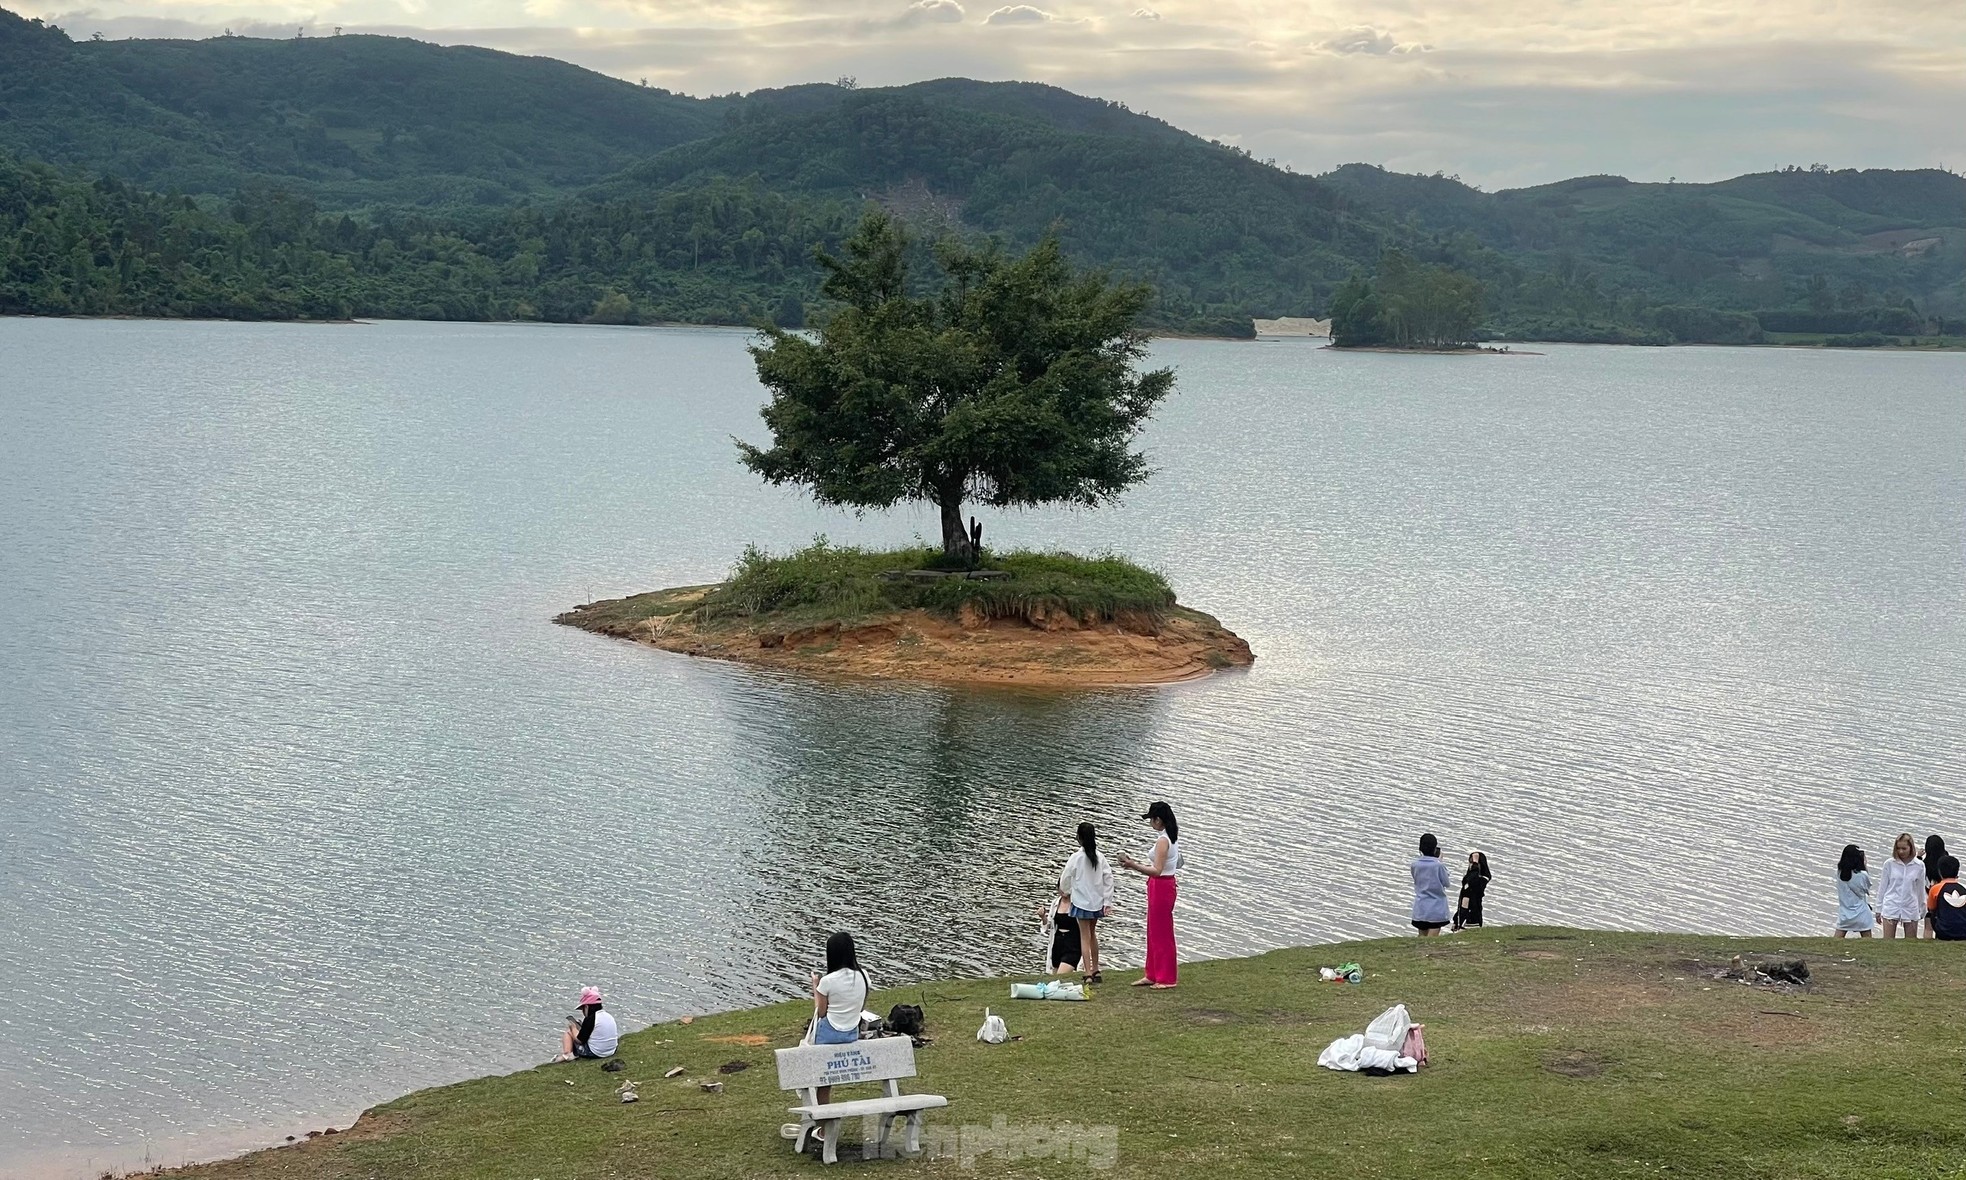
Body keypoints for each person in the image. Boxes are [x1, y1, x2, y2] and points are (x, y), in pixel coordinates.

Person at [1120, 801, 1183, 989]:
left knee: (1162, 932)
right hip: (1158, 886)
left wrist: (1133, 865)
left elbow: (1157, 870)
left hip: (1162, 886)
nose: (1151, 823)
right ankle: (1153, 973)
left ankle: (1167, 977)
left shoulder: (1163, 841)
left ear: (1158, 820)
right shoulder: (1169, 837)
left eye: (1152, 819)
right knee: (1153, 931)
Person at [810, 932, 869, 1105]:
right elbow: (861, 1007)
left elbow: (821, 1013)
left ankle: (821, 1125)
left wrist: (815, 985)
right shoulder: (864, 976)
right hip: (851, 1033)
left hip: (829, 1035)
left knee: (823, 1081)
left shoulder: (827, 981)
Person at [1059, 822, 1116, 984]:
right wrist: (1107, 901)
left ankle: (1087, 972)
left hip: (1081, 903)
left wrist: (1066, 890)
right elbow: (1108, 878)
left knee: (1084, 937)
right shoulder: (1100, 857)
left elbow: (1065, 877)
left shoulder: (1076, 857)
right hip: (1096, 903)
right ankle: (1096, 969)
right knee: (1092, 935)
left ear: (1079, 838)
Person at [1877, 833, 1927, 939]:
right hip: (1891, 906)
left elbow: (1920, 889)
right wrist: (1878, 909)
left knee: (1911, 943)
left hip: (1910, 907)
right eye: (1898, 848)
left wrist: (1922, 908)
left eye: (1904, 848)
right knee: (1888, 942)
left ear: (1910, 847)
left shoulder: (1919, 865)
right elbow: (1882, 888)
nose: (1901, 851)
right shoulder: (1889, 864)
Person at [552, 986, 618, 1062]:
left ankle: (567, 1055)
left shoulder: (590, 1019)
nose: (583, 1012)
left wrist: (573, 1027)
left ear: (586, 1007)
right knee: (576, 1030)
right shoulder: (608, 1016)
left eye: (582, 1009)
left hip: (596, 1053)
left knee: (569, 1031)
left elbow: (579, 1040)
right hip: (611, 1051)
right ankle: (568, 1054)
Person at [1411, 834, 1450, 936]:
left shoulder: (1415, 865)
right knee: (1432, 940)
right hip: (1436, 908)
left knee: (1422, 937)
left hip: (1421, 907)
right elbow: (1446, 883)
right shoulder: (1438, 865)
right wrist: (1440, 861)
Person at [1833, 845, 1874, 938]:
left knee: (1838, 938)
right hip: (1861, 912)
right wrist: (1864, 866)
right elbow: (1867, 889)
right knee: (1867, 938)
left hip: (1845, 912)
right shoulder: (1862, 875)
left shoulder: (1839, 873)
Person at [1041, 895, 1083, 974]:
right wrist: (1043, 917)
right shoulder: (1055, 903)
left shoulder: (1078, 903)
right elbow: (1047, 926)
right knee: (1055, 980)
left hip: (1073, 946)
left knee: (1060, 975)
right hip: (1057, 945)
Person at [1928, 856, 1966, 941]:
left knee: (1933, 912)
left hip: (1944, 932)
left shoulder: (1935, 888)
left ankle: (1939, 934)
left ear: (1939, 871)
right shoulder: (1963, 889)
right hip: (1964, 932)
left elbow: (1931, 908)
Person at [1452, 851, 1491, 932]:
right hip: (1463, 915)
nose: (1471, 865)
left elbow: (1473, 881)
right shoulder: (1468, 878)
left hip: (1473, 918)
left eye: (1472, 863)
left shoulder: (1482, 879)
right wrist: (1456, 920)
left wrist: (1475, 863)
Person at [1922, 835, 1949, 938]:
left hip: (1929, 897)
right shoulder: (1945, 862)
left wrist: (1919, 857)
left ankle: (1926, 944)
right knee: (1941, 925)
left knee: (1928, 928)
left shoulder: (1925, 863)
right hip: (1944, 897)